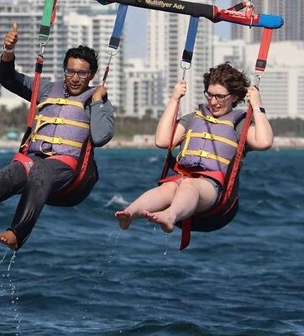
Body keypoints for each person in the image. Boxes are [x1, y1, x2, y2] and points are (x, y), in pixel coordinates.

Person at [0, 23, 115, 251]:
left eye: (82, 73)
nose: (75, 78)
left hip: (67, 168)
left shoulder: (97, 99)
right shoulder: (46, 89)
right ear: (64, 70)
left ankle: (17, 234)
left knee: (40, 171)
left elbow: (101, 137)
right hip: (32, 158)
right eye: (70, 71)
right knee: (8, 174)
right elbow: (8, 79)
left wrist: (97, 101)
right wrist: (8, 51)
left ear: (91, 75)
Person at [114, 63, 273, 233]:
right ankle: (130, 213)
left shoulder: (239, 125)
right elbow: (162, 141)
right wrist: (174, 99)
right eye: (209, 95)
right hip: (183, 178)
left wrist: (257, 106)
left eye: (220, 96)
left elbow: (264, 142)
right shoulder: (193, 118)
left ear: (234, 97)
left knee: (189, 185)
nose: (213, 102)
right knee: (169, 187)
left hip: (214, 188)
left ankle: (169, 216)